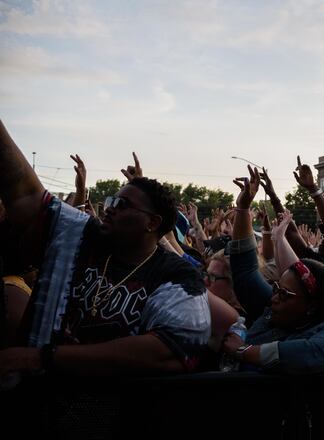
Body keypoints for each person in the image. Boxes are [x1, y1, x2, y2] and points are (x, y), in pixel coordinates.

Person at [0, 120, 211, 379]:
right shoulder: (82, 237)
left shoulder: (178, 276)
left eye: (122, 204)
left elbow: (171, 349)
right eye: (112, 200)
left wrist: (44, 357)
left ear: (152, 223)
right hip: (39, 403)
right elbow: (25, 194)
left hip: (111, 413)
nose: (110, 208)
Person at [220, 167, 324, 374]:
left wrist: (244, 351)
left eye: (284, 294)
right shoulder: (273, 310)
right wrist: (243, 208)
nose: (274, 298)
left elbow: (312, 354)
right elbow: (245, 271)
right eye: (276, 289)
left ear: (312, 306)